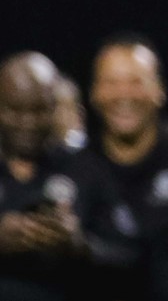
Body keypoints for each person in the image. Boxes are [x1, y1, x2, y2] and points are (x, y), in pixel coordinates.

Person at [85, 33, 168, 301]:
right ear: (94, 92)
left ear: (160, 90)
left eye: (136, 82)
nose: (124, 94)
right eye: (111, 83)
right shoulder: (75, 164)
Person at [0, 51, 137, 301]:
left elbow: (130, 254)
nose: (28, 123)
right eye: (16, 111)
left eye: (39, 110)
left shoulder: (87, 167)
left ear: (55, 106)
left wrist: (80, 246)